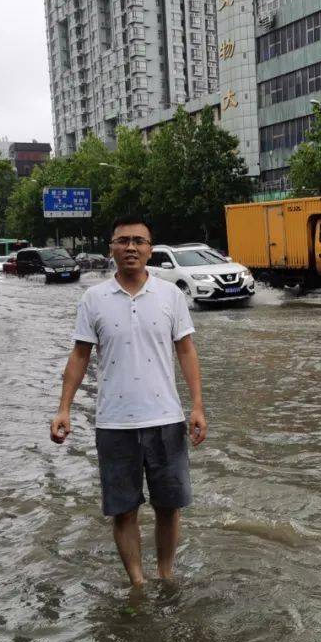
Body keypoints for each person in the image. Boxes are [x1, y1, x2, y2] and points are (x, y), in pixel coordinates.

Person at [50, 216, 207, 587]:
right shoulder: (94, 299)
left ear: (150, 248)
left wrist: (197, 405)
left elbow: (186, 350)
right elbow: (79, 355)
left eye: (139, 241)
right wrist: (64, 408)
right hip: (114, 423)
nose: (131, 247)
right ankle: (138, 583)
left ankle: (166, 576)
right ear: (112, 248)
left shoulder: (170, 295)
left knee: (169, 507)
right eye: (123, 241)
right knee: (123, 510)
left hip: (166, 419)